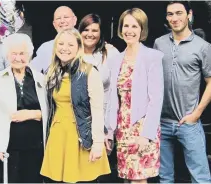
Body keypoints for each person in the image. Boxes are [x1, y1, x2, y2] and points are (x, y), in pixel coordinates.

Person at [40, 28, 110, 183]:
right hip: (58, 136)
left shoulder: (89, 72)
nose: (64, 48)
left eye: (70, 45)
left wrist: (98, 143)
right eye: (61, 43)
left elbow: (97, 110)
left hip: (81, 136)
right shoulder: (51, 73)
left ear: (79, 47)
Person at [0, 33, 48, 183]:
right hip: (6, 147)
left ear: (29, 54)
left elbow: (50, 111)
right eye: (13, 53)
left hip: (35, 146)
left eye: (22, 53)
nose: (18, 58)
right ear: (7, 56)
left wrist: (33, 114)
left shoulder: (40, 79)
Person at [153, 1, 211, 183]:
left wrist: (196, 114)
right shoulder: (159, 43)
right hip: (161, 122)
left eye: (179, 13)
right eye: (170, 14)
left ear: (189, 14)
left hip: (188, 122)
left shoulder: (202, 46)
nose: (174, 18)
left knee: (200, 177)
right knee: (164, 177)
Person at [105, 8, 164, 183]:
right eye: (126, 26)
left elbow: (156, 99)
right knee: (126, 176)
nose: (129, 30)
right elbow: (112, 99)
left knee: (139, 179)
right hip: (122, 127)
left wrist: (146, 134)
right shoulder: (116, 59)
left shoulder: (152, 57)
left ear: (142, 29)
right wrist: (109, 132)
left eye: (134, 26)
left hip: (143, 126)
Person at [78, 14, 120, 147]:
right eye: (86, 30)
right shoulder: (72, 53)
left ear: (101, 33)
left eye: (95, 30)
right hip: (78, 122)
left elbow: (116, 92)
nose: (90, 34)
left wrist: (110, 129)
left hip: (104, 120)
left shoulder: (110, 53)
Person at [30, 6, 77, 74]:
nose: (62, 21)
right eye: (58, 18)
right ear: (54, 24)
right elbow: (31, 71)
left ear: (74, 20)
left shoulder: (85, 44)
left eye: (66, 17)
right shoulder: (45, 48)